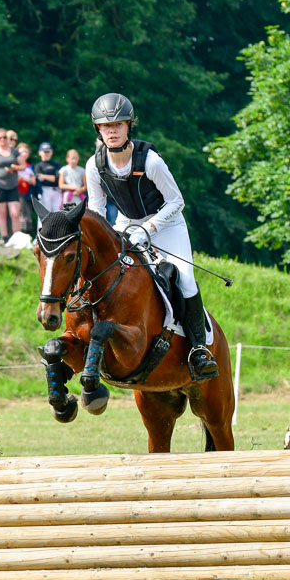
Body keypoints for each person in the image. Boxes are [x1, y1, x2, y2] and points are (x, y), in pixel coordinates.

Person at [85, 92, 218, 381]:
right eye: (106, 127)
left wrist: (149, 229)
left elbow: (176, 202)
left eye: (118, 125)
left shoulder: (151, 161)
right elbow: (95, 212)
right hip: (125, 224)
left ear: (129, 126)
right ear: (98, 129)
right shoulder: (94, 165)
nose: (112, 131)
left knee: (183, 276)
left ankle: (198, 349)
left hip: (166, 225)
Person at [0, 127, 25, 243]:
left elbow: (23, 165)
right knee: (1, 213)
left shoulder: (14, 152)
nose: (2, 140)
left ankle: (17, 237)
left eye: (5, 137)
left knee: (15, 213)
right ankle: (4, 236)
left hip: (12, 185)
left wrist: (15, 167)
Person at [16, 142, 37, 235]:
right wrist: (27, 179)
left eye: (26, 152)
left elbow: (33, 180)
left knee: (27, 213)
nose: (24, 154)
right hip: (18, 192)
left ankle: (27, 233)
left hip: (28, 192)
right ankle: (21, 232)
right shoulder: (15, 165)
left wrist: (29, 180)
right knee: (21, 213)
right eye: (22, 152)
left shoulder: (29, 166)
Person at [34, 141, 62, 211]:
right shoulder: (38, 166)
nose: (46, 154)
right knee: (45, 214)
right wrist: (51, 177)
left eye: (48, 151)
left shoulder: (57, 164)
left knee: (58, 214)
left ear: (51, 152)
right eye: (44, 152)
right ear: (40, 152)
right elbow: (39, 179)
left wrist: (44, 176)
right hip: (44, 190)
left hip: (56, 190)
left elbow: (57, 178)